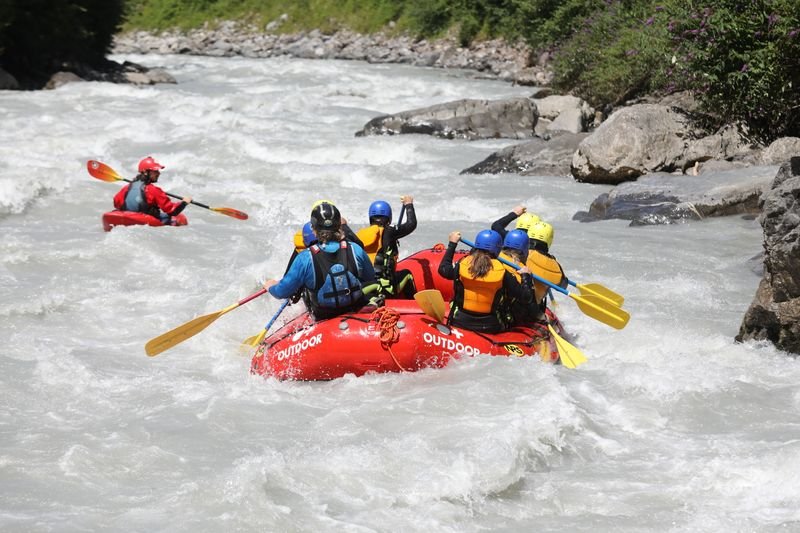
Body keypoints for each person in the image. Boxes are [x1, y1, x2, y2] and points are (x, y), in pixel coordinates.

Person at [264, 202, 376, 320]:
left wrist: (271, 287)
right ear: (339, 226)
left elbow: (282, 292)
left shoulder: (305, 258)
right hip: (355, 312)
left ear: (313, 229)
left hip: (325, 318)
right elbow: (370, 278)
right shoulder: (355, 249)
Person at [438, 229, 533, 334]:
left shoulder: (462, 265)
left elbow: (443, 269)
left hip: (460, 321)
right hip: (489, 326)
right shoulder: (503, 272)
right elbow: (526, 297)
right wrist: (525, 276)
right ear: (497, 250)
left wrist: (452, 244)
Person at [356, 196, 417, 299]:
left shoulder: (360, 235)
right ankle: (410, 305)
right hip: (385, 290)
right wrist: (408, 204)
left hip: (366, 288)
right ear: (389, 217)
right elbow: (411, 224)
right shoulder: (390, 231)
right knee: (407, 274)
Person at [112, 156, 191, 224]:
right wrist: (184, 202)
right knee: (177, 218)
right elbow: (172, 210)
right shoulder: (154, 190)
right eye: (155, 171)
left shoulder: (127, 187)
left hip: (128, 217)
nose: (158, 173)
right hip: (145, 221)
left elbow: (116, 203)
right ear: (145, 172)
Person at [499, 229, 545, 325]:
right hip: (508, 316)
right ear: (525, 250)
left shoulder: (495, 256)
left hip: (493, 310)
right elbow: (528, 301)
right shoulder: (521, 269)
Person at [526, 221, 567, 312]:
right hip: (535, 308)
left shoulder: (517, 253)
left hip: (512, 306)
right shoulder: (554, 263)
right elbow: (563, 285)